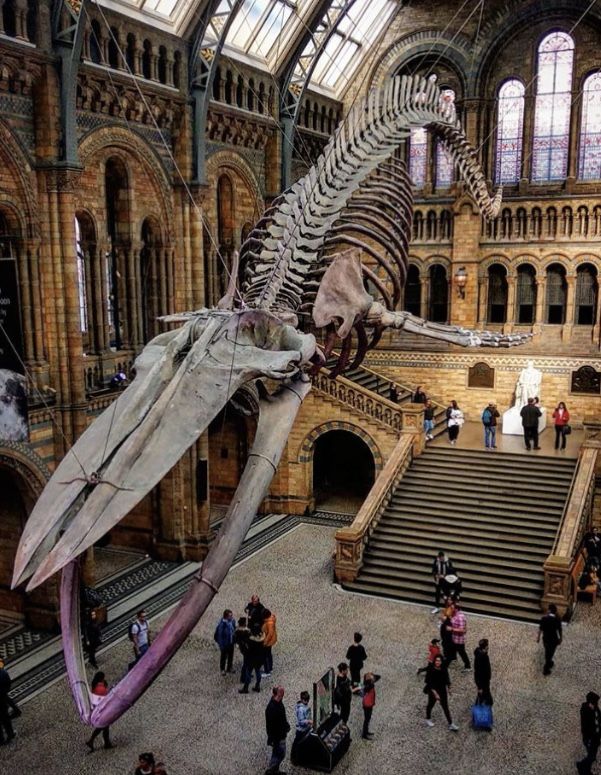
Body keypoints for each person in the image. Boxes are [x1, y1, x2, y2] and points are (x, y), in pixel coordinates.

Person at [424, 655, 458, 731]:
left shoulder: (443, 668)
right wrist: (435, 694)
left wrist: (449, 687)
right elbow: (429, 682)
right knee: (430, 705)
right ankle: (428, 718)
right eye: (436, 660)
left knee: (445, 707)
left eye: (439, 661)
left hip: (442, 690)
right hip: (433, 690)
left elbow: (447, 678)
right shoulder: (431, 669)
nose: (437, 662)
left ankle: (451, 724)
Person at [265, 686, 290, 775]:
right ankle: (271, 770)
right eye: (282, 693)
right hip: (278, 736)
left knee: (278, 753)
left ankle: (274, 770)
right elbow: (271, 726)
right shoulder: (272, 708)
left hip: (280, 734)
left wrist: (286, 725)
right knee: (279, 753)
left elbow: (282, 718)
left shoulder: (278, 703)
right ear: (278, 694)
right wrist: (272, 738)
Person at [85, 672, 113, 751]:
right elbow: (104, 699)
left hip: (97, 708)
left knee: (104, 727)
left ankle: (106, 743)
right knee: (103, 726)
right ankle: (93, 741)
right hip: (102, 710)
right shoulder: (101, 688)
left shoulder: (95, 685)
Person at [577, 691, 601, 775]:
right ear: (590, 702)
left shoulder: (595, 708)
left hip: (596, 737)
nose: (596, 703)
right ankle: (583, 768)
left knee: (592, 754)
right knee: (592, 755)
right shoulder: (586, 710)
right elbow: (587, 726)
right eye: (595, 702)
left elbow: (599, 719)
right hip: (590, 737)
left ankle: (583, 765)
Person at [537, 603, 562, 675]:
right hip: (554, 639)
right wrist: (561, 638)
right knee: (551, 652)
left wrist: (538, 638)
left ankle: (548, 662)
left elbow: (540, 629)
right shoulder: (557, 619)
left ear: (549, 611)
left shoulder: (544, 619)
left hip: (546, 638)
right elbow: (559, 630)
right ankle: (546, 667)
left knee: (547, 651)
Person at [354, 672, 380, 739]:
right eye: (372, 678)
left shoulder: (367, 685)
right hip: (368, 705)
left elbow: (377, 677)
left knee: (367, 719)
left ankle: (366, 732)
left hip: (368, 704)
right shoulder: (369, 686)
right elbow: (378, 677)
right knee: (367, 720)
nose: (373, 679)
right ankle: (364, 734)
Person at [240, 623, 265, 693]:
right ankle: (257, 686)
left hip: (251, 658)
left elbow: (248, 649)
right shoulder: (262, 636)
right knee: (258, 672)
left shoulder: (251, 640)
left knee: (248, 672)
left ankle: (246, 688)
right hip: (259, 658)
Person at [291, 691, 313, 761]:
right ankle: (294, 758)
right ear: (302, 699)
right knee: (297, 744)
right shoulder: (301, 709)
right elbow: (301, 721)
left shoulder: (304, 706)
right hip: (301, 730)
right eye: (305, 700)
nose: (307, 702)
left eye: (307, 700)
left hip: (306, 728)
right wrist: (308, 721)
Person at [214, 609, 236, 676]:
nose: (232, 617)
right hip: (225, 644)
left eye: (232, 615)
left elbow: (234, 629)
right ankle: (222, 669)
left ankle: (229, 667)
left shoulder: (232, 621)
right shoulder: (222, 625)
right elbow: (220, 637)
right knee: (223, 657)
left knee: (230, 656)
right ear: (226, 616)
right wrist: (222, 646)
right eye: (230, 616)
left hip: (231, 642)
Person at [450, 603, 470, 670]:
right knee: (453, 649)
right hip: (454, 637)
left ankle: (468, 666)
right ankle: (453, 659)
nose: (451, 609)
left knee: (462, 652)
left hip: (459, 640)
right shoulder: (454, 614)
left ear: (456, 609)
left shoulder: (460, 617)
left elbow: (462, 630)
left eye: (452, 608)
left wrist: (451, 629)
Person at [473, 638, 493, 706]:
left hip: (484, 681)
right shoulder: (483, 657)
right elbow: (478, 672)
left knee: (482, 695)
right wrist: (480, 687)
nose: (488, 647)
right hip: (483, 681)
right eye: (487, 645)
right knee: (483, 695)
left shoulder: (480, 653)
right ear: (485, 646)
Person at [0, 659, 15, 746]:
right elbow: (8, 684)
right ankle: (10, 734)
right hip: (2, 699)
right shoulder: (3, 673)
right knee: (5, 719)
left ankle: (1, 740)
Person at [234, 616, 251, 687]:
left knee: (246, 663)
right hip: (246, 649)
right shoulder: (244, 631)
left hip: (243, 649)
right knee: (246, 664)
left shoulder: (237, 631)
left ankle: (245, 676)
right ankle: (244, 678)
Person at [261, 609, 278, 677]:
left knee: (265, 656)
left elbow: (270, 634)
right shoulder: (271, 620)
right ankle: (270, 668)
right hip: (271, 641)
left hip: (268, 642)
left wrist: (265, 642)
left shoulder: (269, 623)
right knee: (268, 655)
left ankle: (267, 671)